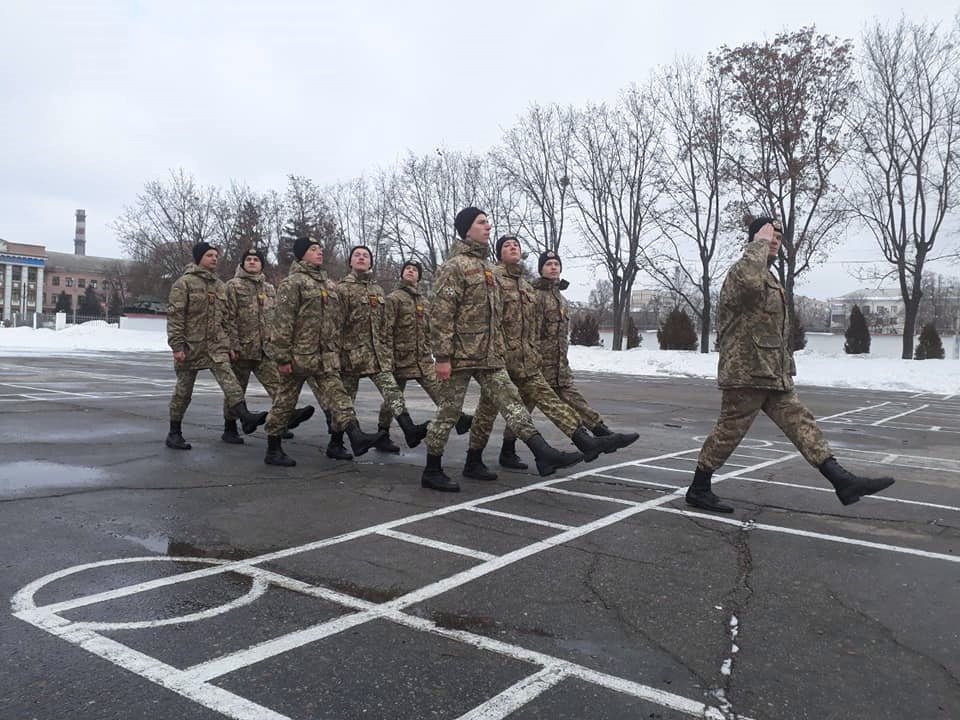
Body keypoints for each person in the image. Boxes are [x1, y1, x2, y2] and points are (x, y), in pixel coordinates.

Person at [685, 217, 896, 513]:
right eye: (769, 234)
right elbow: (749, 287)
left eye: (779, 237)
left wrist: (785, 367)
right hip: (745, 373)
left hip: (771, 374)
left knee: (801, 423)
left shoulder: (771, 279)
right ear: (755, 238)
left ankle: (842, 480)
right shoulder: (742, 272)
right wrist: (758, 243)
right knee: (729, 432)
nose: (775, 240)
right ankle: (699, 488)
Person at [421, 207, 583, 492]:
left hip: (489, 356)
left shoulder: (487, 269)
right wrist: (442, 357)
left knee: (511, 402)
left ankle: (541, 451)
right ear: (466, 229)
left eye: (487, 222)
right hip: (459, 355)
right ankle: (431, 469)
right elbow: (441, 314)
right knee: (448, 412)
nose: (488, 226)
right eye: (481, 222)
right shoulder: (454, 266)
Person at [466, 235, 634, 481]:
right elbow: (489, 320)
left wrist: (532, 353)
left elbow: (530, 328)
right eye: (506, 245)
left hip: (527, 361)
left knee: (543, 403)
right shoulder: (495, 280)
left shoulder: (524, 286)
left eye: (516, 245)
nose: (513, 248)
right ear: (499, 253)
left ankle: (587, 441)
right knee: (487, 411)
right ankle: (474, 459)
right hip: (500, 361)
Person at [504, 250, 639, 469]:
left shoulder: (562, 298)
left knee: (575, 400)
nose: (553, 267)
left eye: (556, 263)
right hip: (538, 366)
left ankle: (602, 434)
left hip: (559, 366)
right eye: (548, 264)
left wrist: (563, 362)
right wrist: (532, 361)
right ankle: (507, 450)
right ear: (540, 269)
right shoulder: (535, 297)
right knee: (524, 409)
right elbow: (530, 333)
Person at [261, 236, 384, 467]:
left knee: (340, 398)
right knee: (284, 402)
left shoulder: (328, 285)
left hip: (325, 357)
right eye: (313, 249)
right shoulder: (293, 283)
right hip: (299, 357)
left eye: (320, 248)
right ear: (301, 254)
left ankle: (355, 437)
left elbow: (336, 322)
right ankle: (273, 447)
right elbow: (282, 324)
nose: (319, 252)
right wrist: (282, 357)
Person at [165, 242, 267, 450]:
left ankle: (245, 415)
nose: (214, 258)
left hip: (216, 346)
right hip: (191, 347)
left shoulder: (220, 285)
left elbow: (227, 318)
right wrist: (177, 346)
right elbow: (175, 317)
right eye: (210, 255)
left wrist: (229, 343)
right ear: (199, 258)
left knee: (231, 382)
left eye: (216, 255)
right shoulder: (184, 283)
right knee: (183, 392)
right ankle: (174, 432)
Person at [335, 246, 430, 456]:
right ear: (350, 262)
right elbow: (334, 325)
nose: (361, 258)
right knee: (346, 401)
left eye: (366, 256)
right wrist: (335, 355)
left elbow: (384, 325)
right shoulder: (342, 289)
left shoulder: (378, 291)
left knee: (393, 393)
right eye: (357, 255)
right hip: (349, 357)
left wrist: (386, 351)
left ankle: (408, 430)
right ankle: (336, 442)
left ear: (371, 263)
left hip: (376, 356)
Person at [375, 261, 472, 454]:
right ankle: (382, 434)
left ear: (419, 277)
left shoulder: (424, 302)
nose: (411, 271)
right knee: (393, 400)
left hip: (423, 359)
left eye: (415, 270)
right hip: (399, 359)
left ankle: (458, 418)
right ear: (402, 274)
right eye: (407, 269)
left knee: (439, 390)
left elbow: (431, 329)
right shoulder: (394, 299)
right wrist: (386, 358)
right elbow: (385, 331)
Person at [221, 248, 313, 444]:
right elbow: (228, 318)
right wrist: (232, 344)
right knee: (237, 390)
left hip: (265, 349)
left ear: (262, 264)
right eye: (249, 259)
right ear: (243, 263)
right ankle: (230, 428)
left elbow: (278, 318)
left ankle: (283, 421)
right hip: (242, 349)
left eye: (256, 260)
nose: (252, 262)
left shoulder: (270, 289)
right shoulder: (232, 286)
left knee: (278, 387)